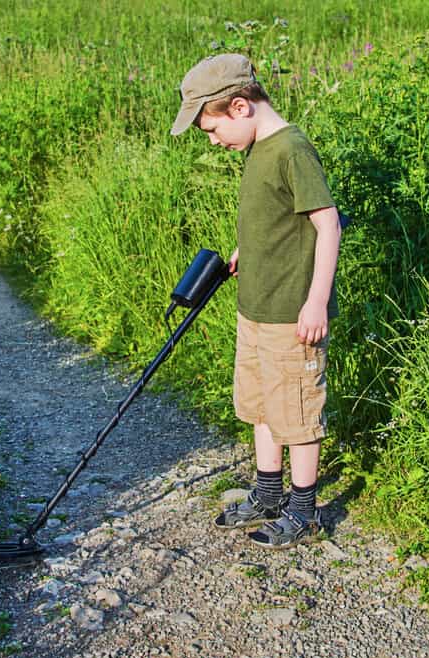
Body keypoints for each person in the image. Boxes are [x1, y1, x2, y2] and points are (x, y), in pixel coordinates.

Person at [171, 53, 341, 549]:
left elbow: (326, 224)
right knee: (264, 404)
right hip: (256, 307)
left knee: (297, 411)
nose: (213, 140)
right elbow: (277, 213)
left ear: (240, 107)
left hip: (292, 312)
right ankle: (268, 495)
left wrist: (316, 301)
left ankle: (305, 510)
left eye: (212, 129)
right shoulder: (257, 149)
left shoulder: (292, 149)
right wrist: (250, 247)